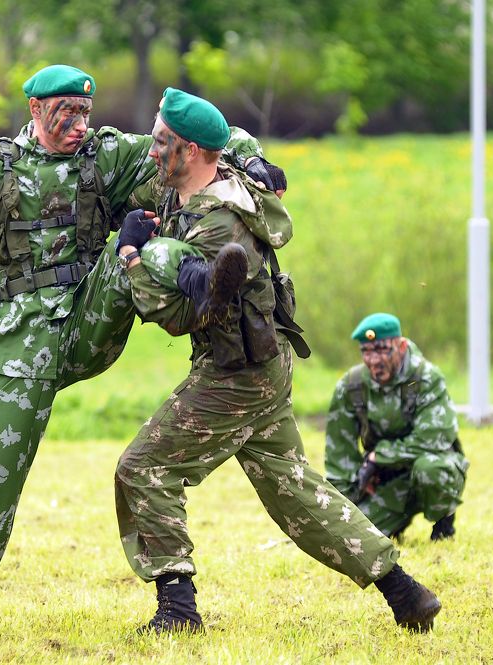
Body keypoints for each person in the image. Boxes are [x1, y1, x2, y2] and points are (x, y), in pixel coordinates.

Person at [0, 64, 285, 637]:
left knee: (134, 244)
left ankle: (201, 281)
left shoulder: (104, 158)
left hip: (89, 321)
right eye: (66, 113)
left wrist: (249, 159)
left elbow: (191, 139)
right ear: (35, 110)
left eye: (85, 113)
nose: (79, 124)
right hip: (22, 347)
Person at [113, 88, 442, 634]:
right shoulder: (216, 186)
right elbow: (231, 144)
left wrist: (130, 256)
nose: (151, 152)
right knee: (295, 491)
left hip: (234, 375)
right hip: (265, 368)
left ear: (190, 150)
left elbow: (176, 316)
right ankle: (405, 593)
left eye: (161, 143)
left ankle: (177, 608)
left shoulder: (221, 224)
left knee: (143, 468)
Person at [324, 313, 468, 541]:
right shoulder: (351, 386)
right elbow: (339, 459)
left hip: (430, 465)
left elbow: (432, 440)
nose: (373, 360)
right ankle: (393, 523)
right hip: (385, 479)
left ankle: (443, 523)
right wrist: (344, 507)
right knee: (356, 535)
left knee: (431, 471)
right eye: (366, 351)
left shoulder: (426, 378)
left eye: (381, 349)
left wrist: (377, 457)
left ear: (401, 347)